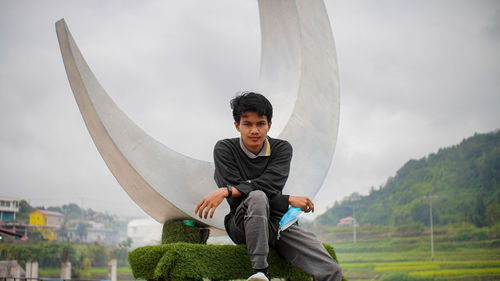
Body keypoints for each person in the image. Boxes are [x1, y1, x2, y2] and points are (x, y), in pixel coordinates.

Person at [195, 92, 342, 281]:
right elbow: (241, 197)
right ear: (237, 126)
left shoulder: (282, 149)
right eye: (247, 124)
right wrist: (287, 199)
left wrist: (228, 190)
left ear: (269, 125)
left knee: (330, 270)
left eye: (260, 124)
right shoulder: (225, 149)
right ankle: (260, 272)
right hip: (243, 223)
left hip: (279, 224)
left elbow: (270, 184)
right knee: (256, 197)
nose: (254, 130)